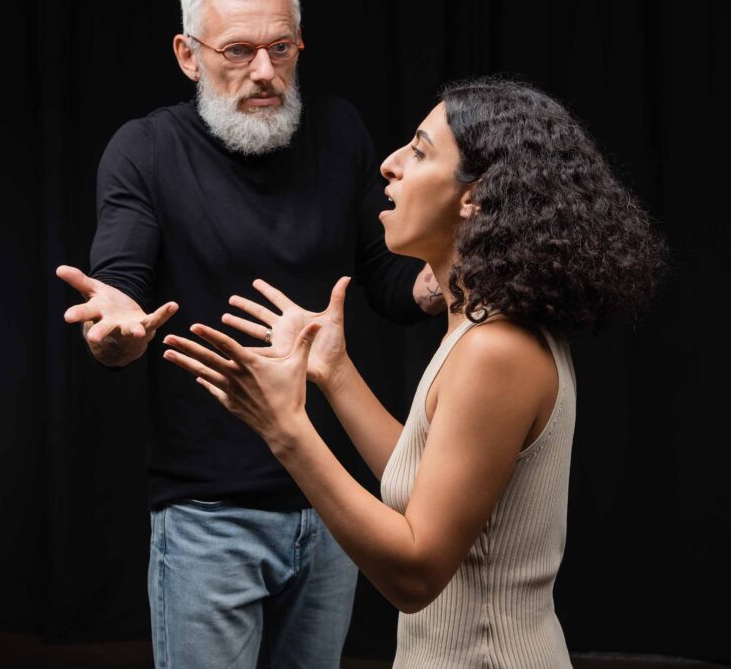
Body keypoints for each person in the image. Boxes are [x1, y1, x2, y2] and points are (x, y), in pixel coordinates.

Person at [162, 77, 666, 668]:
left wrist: (286, 429)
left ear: (474, 196)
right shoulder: (480, 332)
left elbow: (416, 573)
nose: (390, 165)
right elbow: (425, 486)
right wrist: (334, 369)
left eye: (420, 151)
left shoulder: (495, 350)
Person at [56, 0, 443, 669]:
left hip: (333, 500)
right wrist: (117, 333)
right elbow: (120, 290)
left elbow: (387, 279)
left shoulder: (340, 131)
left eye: (281, 48)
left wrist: (449, 282)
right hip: (208, 513)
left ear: (300, 44)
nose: (265, 72)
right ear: (188, 56)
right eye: (237, 51)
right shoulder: (146, 150)